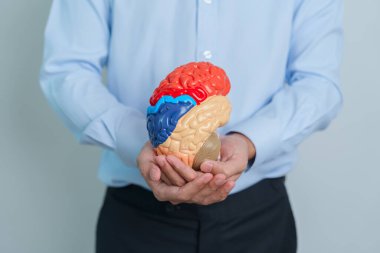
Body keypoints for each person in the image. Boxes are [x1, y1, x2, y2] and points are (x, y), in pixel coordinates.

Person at [40, 0, 343, 252]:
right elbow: (67, 71)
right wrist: (139, 140)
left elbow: (319, 83)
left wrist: (247, 141)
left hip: (257, 220)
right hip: (138, 220)